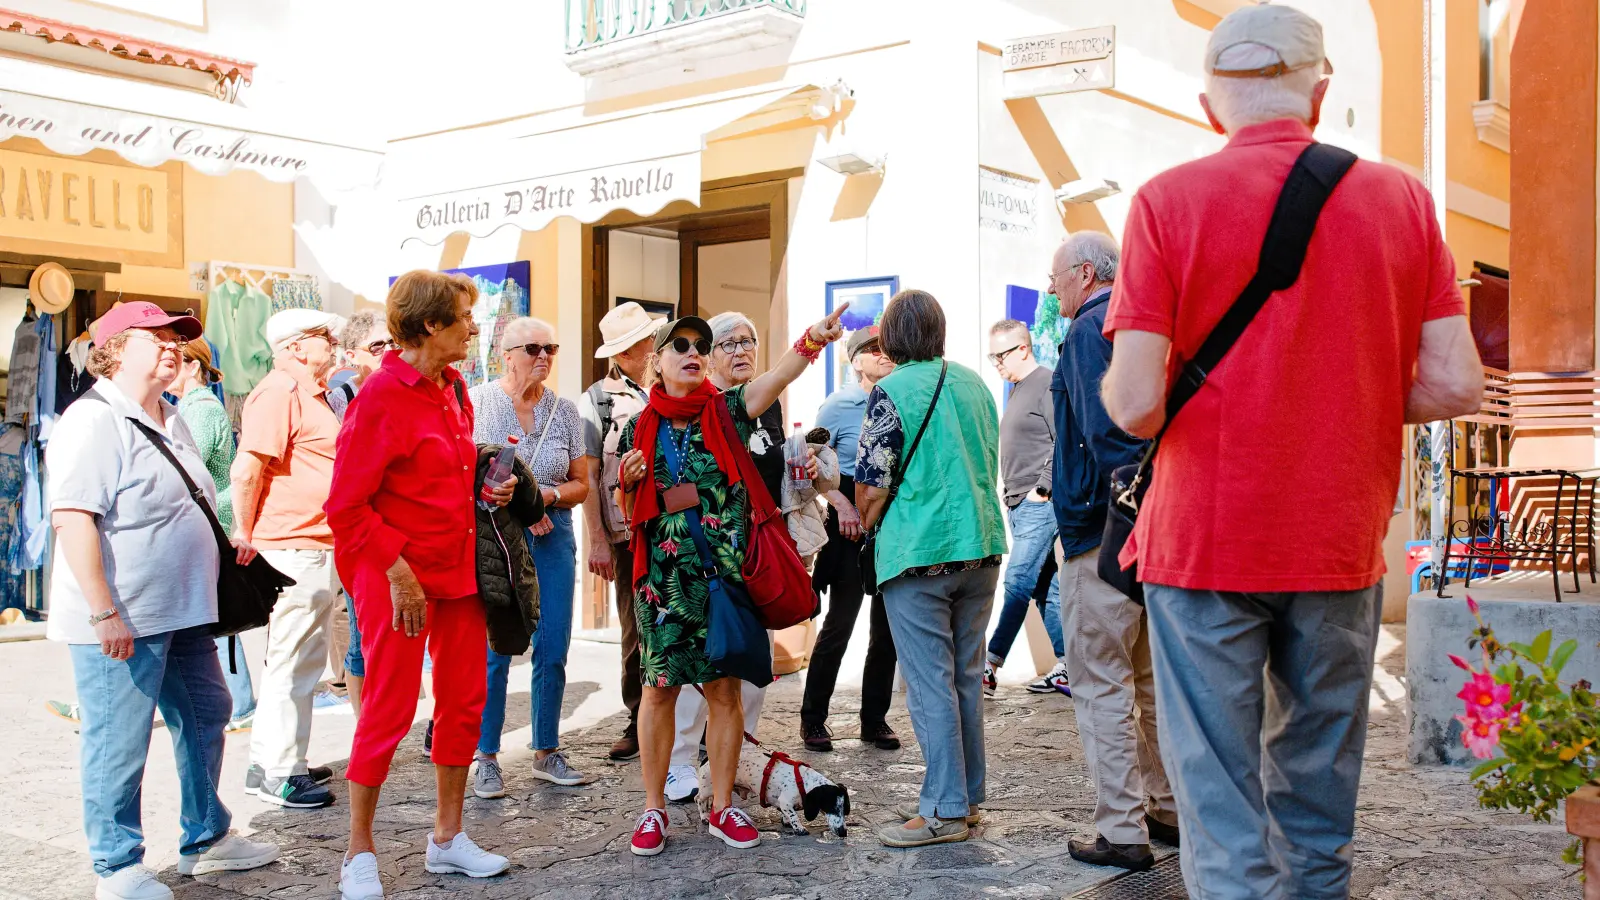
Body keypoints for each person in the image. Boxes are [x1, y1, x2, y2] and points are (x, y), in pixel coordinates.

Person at [1099, 7, 1484, 898]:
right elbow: (1459, 383)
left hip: (1204, 541)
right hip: (1336, 533)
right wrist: (1342, 399)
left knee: (1220, 801)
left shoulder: (1165, 202)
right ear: (1319, 92)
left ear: (1208, 105)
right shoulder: (1401, 201)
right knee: (1319, 793)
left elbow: (1130, 403)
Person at [47, 301, 279, 900]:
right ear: (116, 349)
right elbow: (73, 520)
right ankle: (116, 867)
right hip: (126, 614)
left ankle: (205, 837)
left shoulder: (170, 415)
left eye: (178, 339)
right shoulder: (94, 420)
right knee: (118, 739)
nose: (174, 347)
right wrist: (104, 611)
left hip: (182, 611)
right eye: (159, 338)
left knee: (207, 712)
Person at [616, 306, 848, 857]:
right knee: (657, 694)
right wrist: (627, 483)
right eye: (682, 346)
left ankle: (722, 805)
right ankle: (653, 808)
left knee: (725, 694)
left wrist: (813, 339)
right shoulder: (637, 426)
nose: (695, 353)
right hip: (662, 585)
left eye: (702, 345)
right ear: (659, 362)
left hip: (721, 578)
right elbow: (634, 514)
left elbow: (778, 376)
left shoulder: (728, 412)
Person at [327, 270, 516, 900]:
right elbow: (346, 507)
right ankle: (358, 851)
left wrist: (489, 486)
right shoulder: (380, 398)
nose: (473, 327)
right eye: (464, 318)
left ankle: (447, 837)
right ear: (431, 325)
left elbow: (446, 475)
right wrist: (399, 571)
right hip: (394, 574)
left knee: (465, 701)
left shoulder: (455, 387)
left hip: (457, 571)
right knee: (389, 705)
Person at [856, 290, 1008, 849]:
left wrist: (865, 517)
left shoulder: (890, 391)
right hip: (982, 545)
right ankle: (965, 798)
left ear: (891, 340)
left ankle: (943, 811)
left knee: (929, 686)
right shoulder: (974, 384)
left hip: (918, 552)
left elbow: (872, 483)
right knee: (966, 677)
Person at [1047, 233, 1178, 871]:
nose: (1051, 292)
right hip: (1159, 530)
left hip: (1102, 532)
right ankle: (1168, 806)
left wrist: (1121, 506)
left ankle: (1123, 829)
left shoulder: (1086, 331)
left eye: (1055, 278)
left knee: (1100, 680)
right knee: (1151, 681)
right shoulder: (1147, 325)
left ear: (1083, 273)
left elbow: (1106, 428)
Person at [661, 310, 820, 804]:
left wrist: (807, 470)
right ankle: (681, 764)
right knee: (696, 672)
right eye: (728, 343)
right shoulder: (698, 408)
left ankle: (738, 758)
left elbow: (776, 476)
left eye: (748, 341)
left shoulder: (766, 409)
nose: (741, 351)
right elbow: (675, 487)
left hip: (756, 557)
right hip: (707, 560)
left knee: (753, 665)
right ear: (708, 357)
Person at [470, 317, 591, 797]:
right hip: (497, 536)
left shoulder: (564, 412)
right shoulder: (479, 402)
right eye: (533, 348)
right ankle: (486, 756)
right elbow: (463, 470)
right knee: (495, 647)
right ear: (507, 354)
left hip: (552, 533)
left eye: (551, 348)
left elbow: (581, 482)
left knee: (553, 644)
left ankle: (546, 750)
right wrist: (517, 504)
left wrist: (546, 497)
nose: (543, 357)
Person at [232, 307, 347, 809]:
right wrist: (245, 532)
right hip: (295, 545)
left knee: (301, 658)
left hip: (314, 543)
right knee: (292, 660)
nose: (333, 344)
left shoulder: (309, 394)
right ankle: (279, 770)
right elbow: (246, 469)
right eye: (325, 336)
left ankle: (280, 760)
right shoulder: (280, 391)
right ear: (298, 346)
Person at [799, 326, 900, 752]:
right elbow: (809, 465)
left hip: (892, 526)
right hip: (846, 531)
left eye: (888, 349)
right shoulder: (838, 406)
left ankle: (874, 720)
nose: (885, 356)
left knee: (888, 630)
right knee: (839, 625)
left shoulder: (899, 401)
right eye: (875, 350)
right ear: (856, 360)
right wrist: (841, 504)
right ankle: (813, 719)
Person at [580, 302, 659, 763]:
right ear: (623, 353)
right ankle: (638, 717)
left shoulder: (675, 386)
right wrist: (596, 540)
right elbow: (589, 476)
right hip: (628, 533)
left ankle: (692, 720)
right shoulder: (597, 400)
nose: (652, 349)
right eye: (643, 343)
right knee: (635, 630)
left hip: (675, 526)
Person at [169, 339, 256, 732]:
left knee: (216, 615)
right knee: (214, 614)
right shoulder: (189, 407)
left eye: (176, 359)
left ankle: (239, 701)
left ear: (192, 366)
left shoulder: (201, 409)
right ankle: (238, 700)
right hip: (208, 521)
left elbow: (189, 467)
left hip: (213, 522)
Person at [983, 319, 1068, 698]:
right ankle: (1068, 667)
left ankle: (988, 666)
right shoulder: (1017, 389)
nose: (996, 364)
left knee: (1017, 582)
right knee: (1045, 587)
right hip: (1019, 503)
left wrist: (1044, 488)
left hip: (1037, 504)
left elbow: (1065, 438)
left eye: (1000, 355)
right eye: (992, 356)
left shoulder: (1047, 383)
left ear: (1022, 349)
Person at [326, 311, 396, 720]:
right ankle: (365, 722)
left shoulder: (408, 392)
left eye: (392, 343)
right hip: (361, 531)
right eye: (377, 345)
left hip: (404, 527)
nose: (388, 352)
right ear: (352, 356)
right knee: (361, 631)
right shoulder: (340, 400)